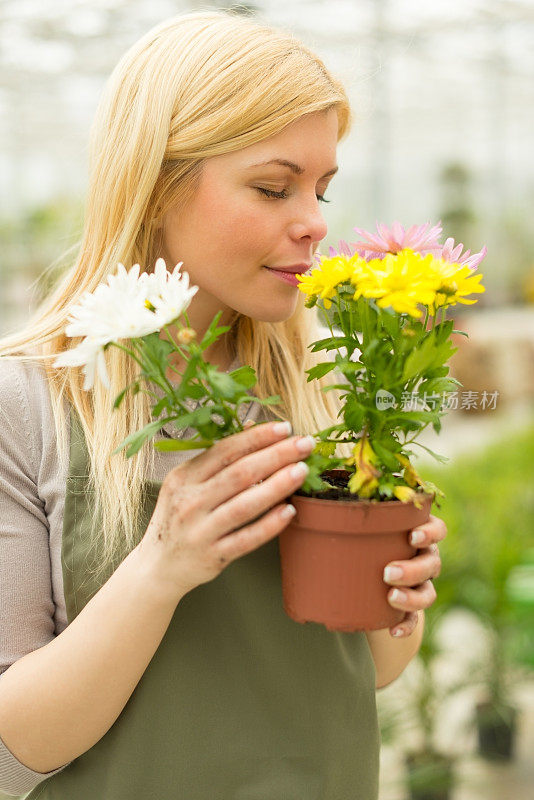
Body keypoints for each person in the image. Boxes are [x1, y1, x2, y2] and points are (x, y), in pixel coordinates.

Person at [0, 10, 446, 799]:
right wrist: (163, 566)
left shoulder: (329, 384)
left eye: (321, 189)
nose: (314, 223)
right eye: (274, 186)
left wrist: (398, 601)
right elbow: (16, 747)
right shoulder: (29, 403)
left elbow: (364, 672)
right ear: (157, 184)